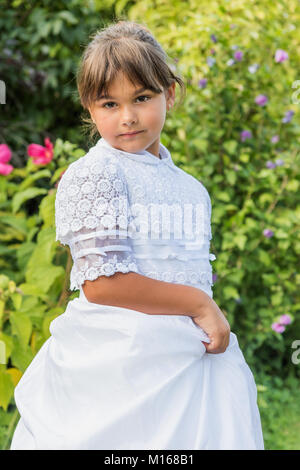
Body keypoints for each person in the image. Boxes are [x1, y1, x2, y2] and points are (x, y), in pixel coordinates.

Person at [10, 20, 264, 450]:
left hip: (191, 365)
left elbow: (186, 271)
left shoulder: (191, 190)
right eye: (109, 103)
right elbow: (103, 285)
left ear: (170, 92)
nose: (127, 117)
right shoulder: (96, 175)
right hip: (117, 368)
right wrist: (203, 305)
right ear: (90, 108)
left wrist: (200, 310)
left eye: (142, 98)